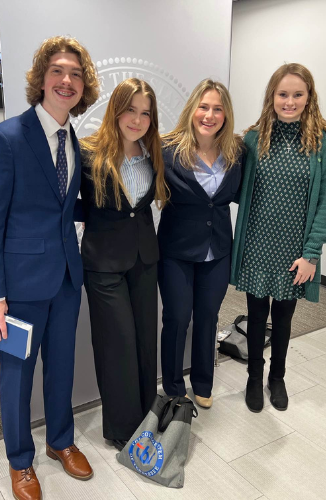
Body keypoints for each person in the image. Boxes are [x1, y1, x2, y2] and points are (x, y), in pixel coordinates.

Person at [0, 36, 97, 500]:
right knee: (16, 376)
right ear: (41, 79)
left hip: (67, 280)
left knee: (61, 368)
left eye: (75, 74)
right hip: (18, 285)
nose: (66, 80)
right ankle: (19, 460)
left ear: (82, 86)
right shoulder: (6, 138)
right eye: (57, 71)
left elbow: (68, 209)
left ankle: (60, 441)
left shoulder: (77, 142)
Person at [75, 78, 168, 449]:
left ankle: (147, 417)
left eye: (145, 113)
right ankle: (122, 429)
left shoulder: (153, 153)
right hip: (103, 264)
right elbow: (70, 204)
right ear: (116, 108)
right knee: (117, 345)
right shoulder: (87, 152)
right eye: (130, 109)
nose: (137, 119)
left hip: (145, 259)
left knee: (146, 341)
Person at [231, 62, 326, 412]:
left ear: (308, 97)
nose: (289, 101)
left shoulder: (321, 142)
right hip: (258, 245)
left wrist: (312, 253)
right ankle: (254, 378)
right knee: (255, 316)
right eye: (282, 94)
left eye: (297, 94)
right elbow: (235, 188)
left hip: (294, 252)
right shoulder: (254, 139)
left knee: (284, 318)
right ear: (272, 96)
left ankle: (277, 378)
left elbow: (324, 202)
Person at [159, 79, 243, 409]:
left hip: (218, 249)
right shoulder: (167, 149)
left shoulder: (236, 153)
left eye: (218, 109)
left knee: (208, 317)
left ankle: (203, 382)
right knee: (177, 318)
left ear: (226, 115)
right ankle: (174, 388)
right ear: (193, 109)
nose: (210, 115)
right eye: (204, 107)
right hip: (176, 251)